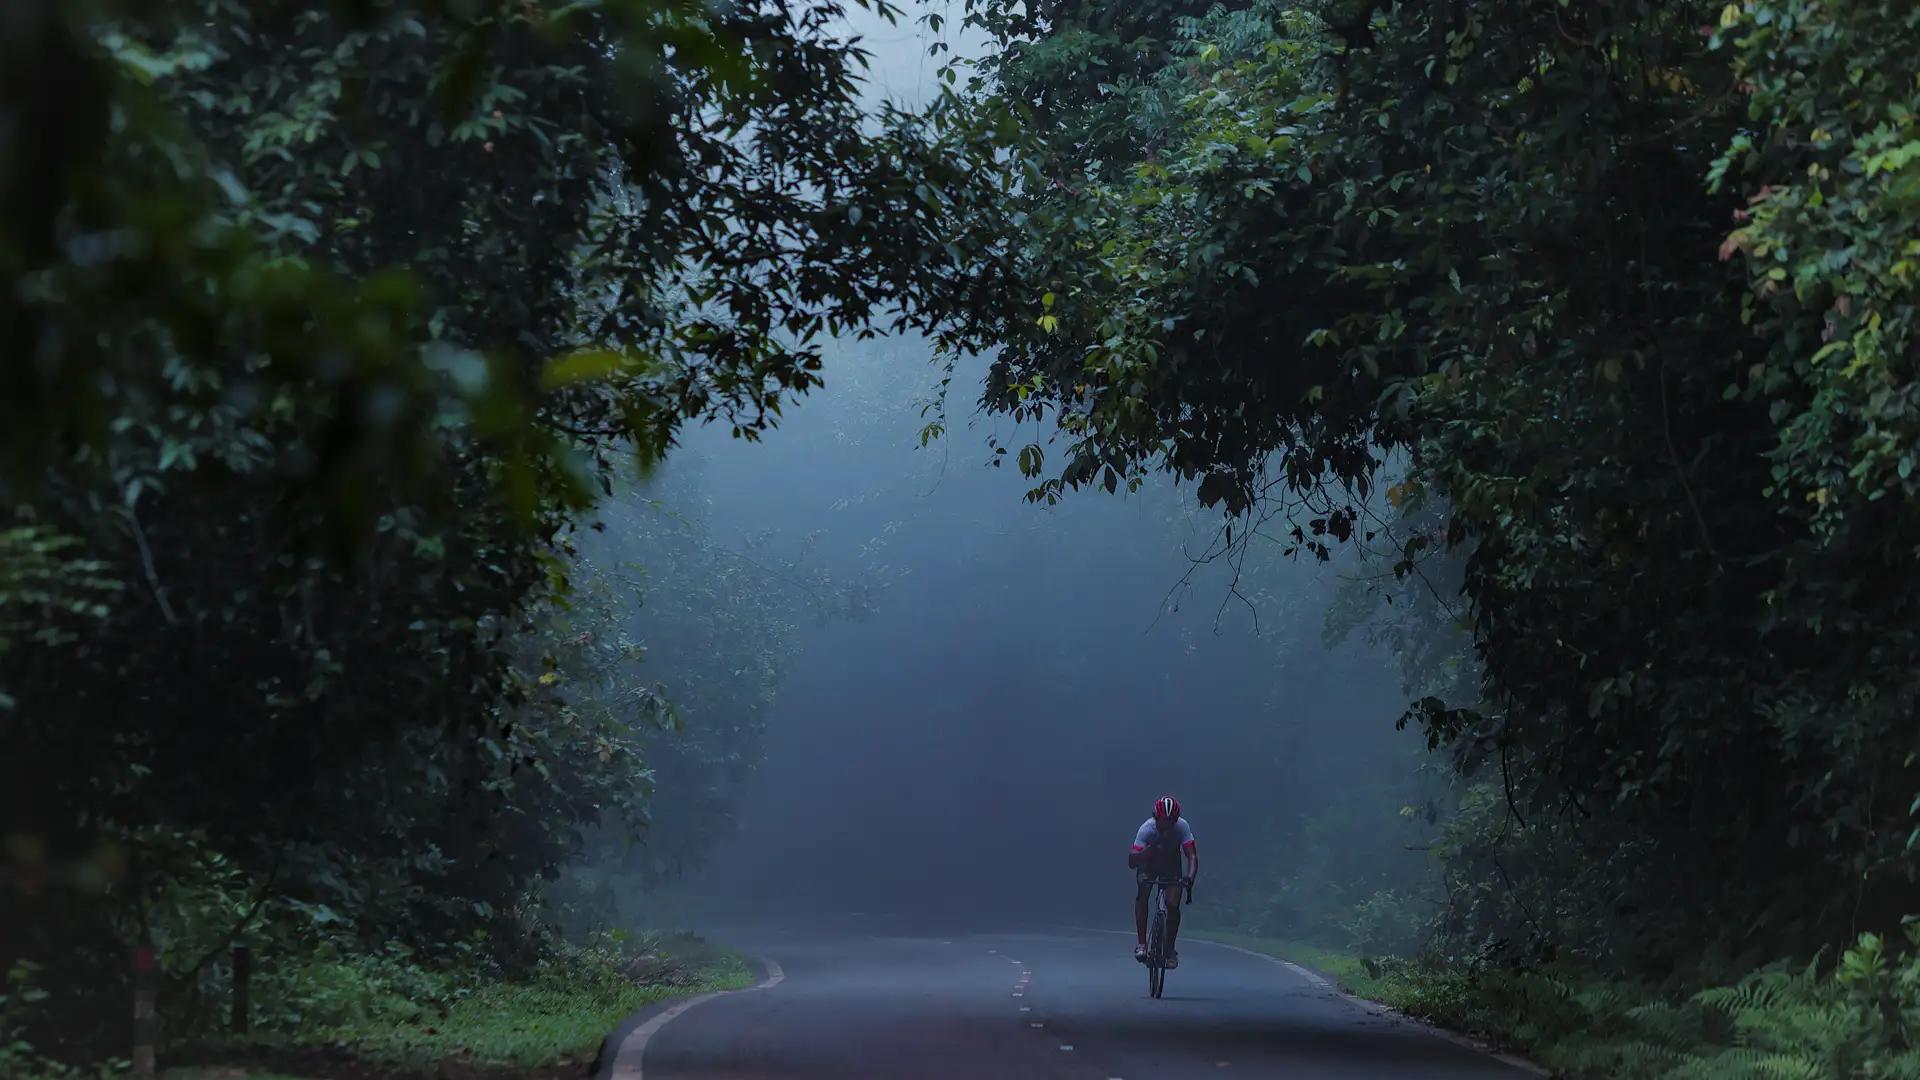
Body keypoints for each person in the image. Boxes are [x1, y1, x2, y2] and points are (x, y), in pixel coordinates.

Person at [1128, 794, 1197, 967]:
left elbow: (1192, 856)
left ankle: (1169, 949)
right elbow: (1131, 861)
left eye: (1170, 825)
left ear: (1176, 821)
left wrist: (1189, 878)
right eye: (1162, 825)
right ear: (1155, 819)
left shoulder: (1182, 827)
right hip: (1149, 863)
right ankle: (1142, 944)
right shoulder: (1147, 829)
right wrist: (1146, 853)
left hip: (1171, 863)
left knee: (1173, 905)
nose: (1166, 829)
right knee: (1143, 892)